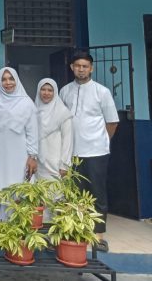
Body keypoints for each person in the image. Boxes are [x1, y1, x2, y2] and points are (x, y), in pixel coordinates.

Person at [60, 50, 118, 252]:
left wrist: (101, 141)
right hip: (72, 152)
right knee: (73, 193)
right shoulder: (64, 91)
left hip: (96, 152)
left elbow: (112, 122)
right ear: (72, 68)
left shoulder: (101, 92)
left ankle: (98, 235)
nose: (81, 69)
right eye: (77, 66)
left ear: (91, 68)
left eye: (85, 66)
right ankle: (75, 230)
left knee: (97, 193)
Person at [0, 67, 38, 218]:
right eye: (4, 79)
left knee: (18, 187)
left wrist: (33, 156)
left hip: (19, 152)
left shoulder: (27, 103)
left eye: (11, 79)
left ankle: (18, 228)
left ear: (17, 80)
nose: (8, 83)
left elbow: (33, 131)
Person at [35, 78, 73, 180]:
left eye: (50, 90)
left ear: (55, 92)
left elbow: (67, 141)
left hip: (56, 164)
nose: (46, 93)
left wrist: (64, 165)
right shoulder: (34, 111)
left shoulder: (63, 113)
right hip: (38, 164)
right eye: (43, 89)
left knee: (56, 193)